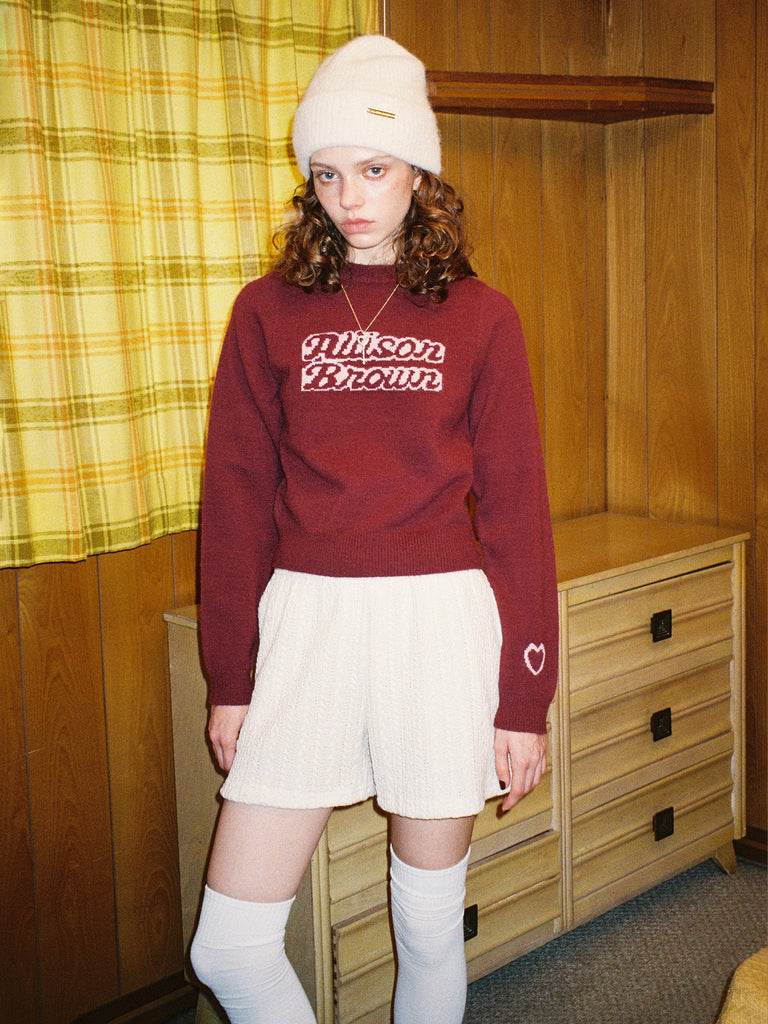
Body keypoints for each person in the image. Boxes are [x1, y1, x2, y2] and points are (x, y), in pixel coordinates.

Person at [189, 34, 558, 1024]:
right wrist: (230, 676)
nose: (349, 196)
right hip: (307, 624)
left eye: (375, 169)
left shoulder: (482, 318)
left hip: (438, 628)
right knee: (228, 947)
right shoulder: (265, 313)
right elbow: (234, 502)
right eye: (328, 173)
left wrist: (525, 699)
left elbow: (518, 514)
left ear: (420, 174)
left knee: (428, 925)